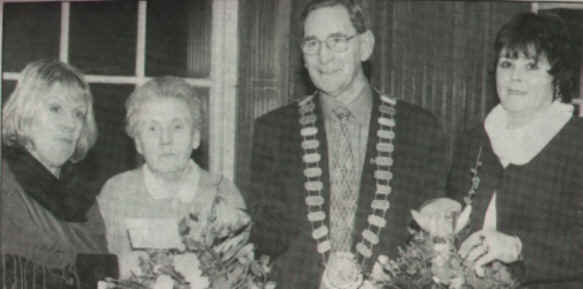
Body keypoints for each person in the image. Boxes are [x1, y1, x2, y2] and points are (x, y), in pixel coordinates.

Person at [247, 0, 448, 288]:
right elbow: (267, 241)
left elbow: (427, 240)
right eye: (312, 44)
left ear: (365, 46)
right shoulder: (274, 130)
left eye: (337, 41)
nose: (323, 56)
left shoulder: (418, 129)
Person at [447, 13, 583, 289]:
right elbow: (456, 211)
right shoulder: (474, 139)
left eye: (531, 67)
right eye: (506, 64)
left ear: (557, 78)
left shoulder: (577, 143)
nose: (514, 77)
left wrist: (519, 248)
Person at [97, 76, 246, 277]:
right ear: (138, 143)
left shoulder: (223, 193)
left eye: (177, 127)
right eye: (152, 129)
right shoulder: (116, 193)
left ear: (195, 137)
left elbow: (239, 276)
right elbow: (103, 273)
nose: (165, 140)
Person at [1, 59, 110, 289]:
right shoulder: (5, 182)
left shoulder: (85, 200)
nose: (70, 124)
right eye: (56, 108)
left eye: (79, 114)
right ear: (25, 114)